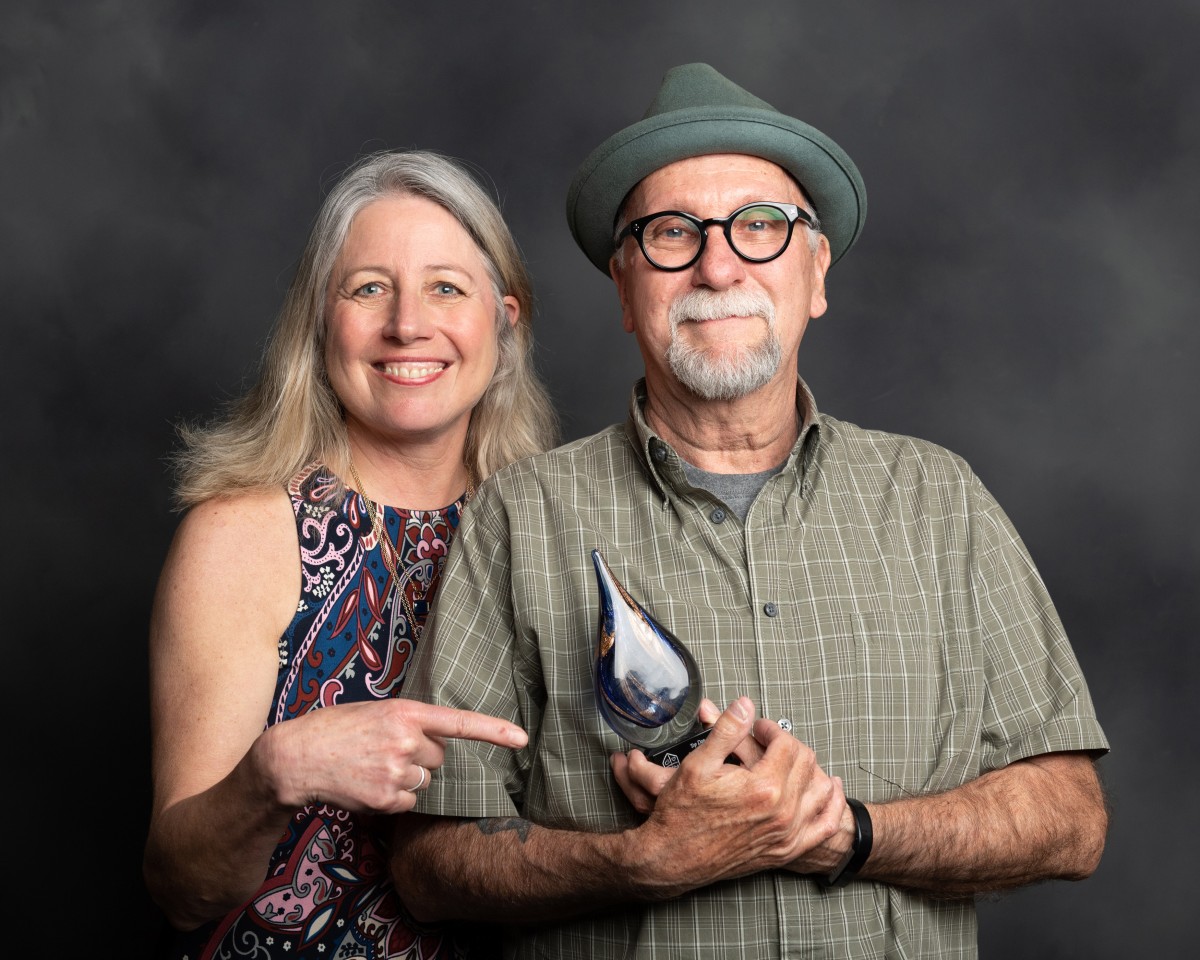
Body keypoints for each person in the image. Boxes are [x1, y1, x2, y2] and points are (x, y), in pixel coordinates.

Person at [387, 64, 1110, 958]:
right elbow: (428, 863)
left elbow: (1071, 819)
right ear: (625, 290)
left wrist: (846, 833)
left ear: (816, 274)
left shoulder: (939, 502)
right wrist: (638, 864)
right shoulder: (520, 517)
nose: (719, 265)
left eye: (760, 225)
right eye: (671, 232)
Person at [143, 149, 558, 959]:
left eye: (446, 287)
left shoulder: (553, 528)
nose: (408, 324)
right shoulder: (242, 536)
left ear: (505, 320)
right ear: (318, 321)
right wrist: (277, 769)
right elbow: (178, 888)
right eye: (368, 288)